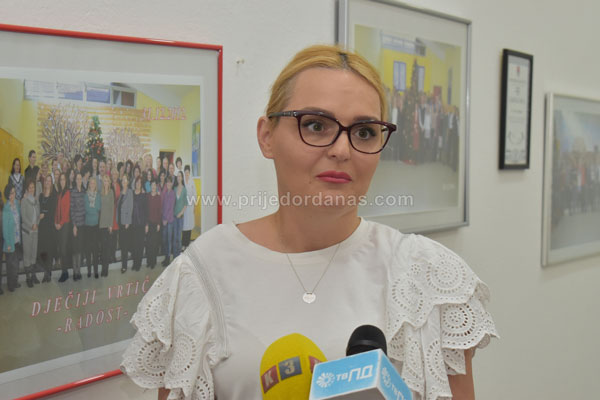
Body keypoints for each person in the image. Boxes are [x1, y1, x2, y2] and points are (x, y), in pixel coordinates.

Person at [121, 45, 497, 400]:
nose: (342, 149)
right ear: (267, 137)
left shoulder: (427, 275)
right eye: (316, 125)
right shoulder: (204, 273)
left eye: (364, 132)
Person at [21, 179, 40, 288]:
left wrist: (37, 223)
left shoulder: (36, 200)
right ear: (27, 189)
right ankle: (28, 278)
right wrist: (31, 225)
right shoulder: (24, 201)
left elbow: (38, 215)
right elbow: (23, 217)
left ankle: (33, 275)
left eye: (33, 187)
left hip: (35, 231)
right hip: (27, 232)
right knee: (27, 254)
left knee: (33, 254)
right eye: (30, 187)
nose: (32, 189)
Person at [38, 174, 56, 283]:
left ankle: (48, 273)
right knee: (43, 251)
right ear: (44, 183)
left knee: (49, 250)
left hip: (50, 227)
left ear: (51, 183)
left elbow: (52, 212)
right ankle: (45, 271)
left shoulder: (53, 196)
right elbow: (38, 208)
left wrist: (44, 214)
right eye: (46, 181)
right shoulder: (40, 196)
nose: (48, 182)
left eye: (49, 181)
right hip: (42, 227)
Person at [3, 184, 21, 292]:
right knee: (10, 265)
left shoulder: (17, 205)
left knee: (16, 263)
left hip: (17, 239)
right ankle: (11, 285)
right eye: (11, 193)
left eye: (14, 192)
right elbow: (5, 229)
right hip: (10, 242)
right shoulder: (6, 208)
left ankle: (15, 281)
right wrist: (8, 243)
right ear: (7, 195)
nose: (13, 195)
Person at [55, 173, 71, 282]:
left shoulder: (67, 192)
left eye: (63, 179)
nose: (62, 181)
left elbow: (66, 211)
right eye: (60, 179)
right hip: (59, 224)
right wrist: (55, 222)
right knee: (60, 248)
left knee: (63, 249)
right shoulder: (59, 193)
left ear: (66, 181)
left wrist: (60, 223)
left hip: (65, 224)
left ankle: (65, 273)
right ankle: (64, 271)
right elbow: (57, 210)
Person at [84, 177, 101, 278]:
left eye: (94, 183)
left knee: (95, 249)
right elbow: (86, 209)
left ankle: (95, 270)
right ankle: (89, 270)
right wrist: (93, 209)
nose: (92, 185)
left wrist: (92, 208)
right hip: (87, 226)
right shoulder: (85, 195)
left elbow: (98, 207)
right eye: (91, 183)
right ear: (89, 184)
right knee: (88, 249)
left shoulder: (98, 195)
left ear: (95, 185)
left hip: (95, 226)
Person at [70, 172, 86, 281]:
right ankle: (74, 271)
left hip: (83, 225)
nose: (79, 180)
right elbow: (72, 210)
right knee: (75, 249)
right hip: (76, 225)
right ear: (75, 180)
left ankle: (78, 271)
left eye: (80, 178)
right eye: (78, 179)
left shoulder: (84, 192)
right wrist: (74, 225)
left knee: (80, 248)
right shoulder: (73, 192)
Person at [99, 174, 115, 277]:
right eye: (104, 181)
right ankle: (103, 268)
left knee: (107, 248)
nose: (106, 182)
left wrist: (110, 224)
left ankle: (106, 269)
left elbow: (112, 209)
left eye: (107, 181)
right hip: (101, 224)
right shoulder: (100, 193)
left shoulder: (111, 192)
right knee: (103, 248)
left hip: (108, 224)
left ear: (109, 182)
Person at [131, 176, 148, 271]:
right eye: (137, 182)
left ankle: (138, 264)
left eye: (140, 182)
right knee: (134, 244)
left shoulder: (143, 195)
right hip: (133, 224)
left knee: (140, 245)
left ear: (141, 184)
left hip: (141, 223)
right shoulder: (132, 194)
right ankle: (134, 263)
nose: (138, 184)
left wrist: (146, 224)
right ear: (135, 183)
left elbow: (146, 210)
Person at [117, 174, 133, 273]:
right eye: (122, 180)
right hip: (120, 221)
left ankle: (124, 266)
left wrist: (127, 222)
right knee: (122, 244)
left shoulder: (129, 192)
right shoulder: (121, 192)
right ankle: (124, 264)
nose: (123, 181)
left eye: (125, 180)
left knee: (125, 245)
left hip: (125, 223)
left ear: (128, 182)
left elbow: (130, 207)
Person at [146, 180, 161, 269]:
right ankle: (149, 261)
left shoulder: (158, 197)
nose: (153, 186)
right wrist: (146, 224)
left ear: (156, 186)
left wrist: (159, 223)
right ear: (150, 186)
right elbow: (145, 210)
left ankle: (153, 262)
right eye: (152, 185)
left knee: (154, 243)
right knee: (148, 243)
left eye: (155, 185)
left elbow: (159, 211)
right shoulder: (147, 196)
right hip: (149, 223)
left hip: (155, 223)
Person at [160, 176, 175, 266]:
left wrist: (166, 219)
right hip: (164, 220)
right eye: (167, 182)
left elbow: (171, 209)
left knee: (169, 240)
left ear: (172, 183)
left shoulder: (172, 193)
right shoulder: (165, 193)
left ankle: (168, 258)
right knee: (165, 239)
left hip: (169, 221)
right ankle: (166, 257)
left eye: (170, 182)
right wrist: (163, 218)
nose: (168, 184)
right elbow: (163, 207)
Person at [172, 171, 186, 258]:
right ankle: (175, 257)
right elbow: (172, 203)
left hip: (180, 217)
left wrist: (180, 213)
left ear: (182, 178)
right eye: (177, 176)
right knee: (175, 237)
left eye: (180, 176)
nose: (178, 178)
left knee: (179, 238)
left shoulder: (184, 189)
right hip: (174, 217)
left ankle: (179, 258)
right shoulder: (174, 189)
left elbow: (185, 204)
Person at [182, 165, 196, 249]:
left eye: (188, 172)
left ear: (189, 173)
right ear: (184, 172)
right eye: (185, 172)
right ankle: (183, 243)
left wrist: (194, 206)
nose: (187, 174)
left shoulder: (192, 181)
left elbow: (194, 194)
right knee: (184, 226)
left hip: (190, 206)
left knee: (189, 225)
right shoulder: (182, 180)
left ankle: (187, 244)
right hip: (184, 207)